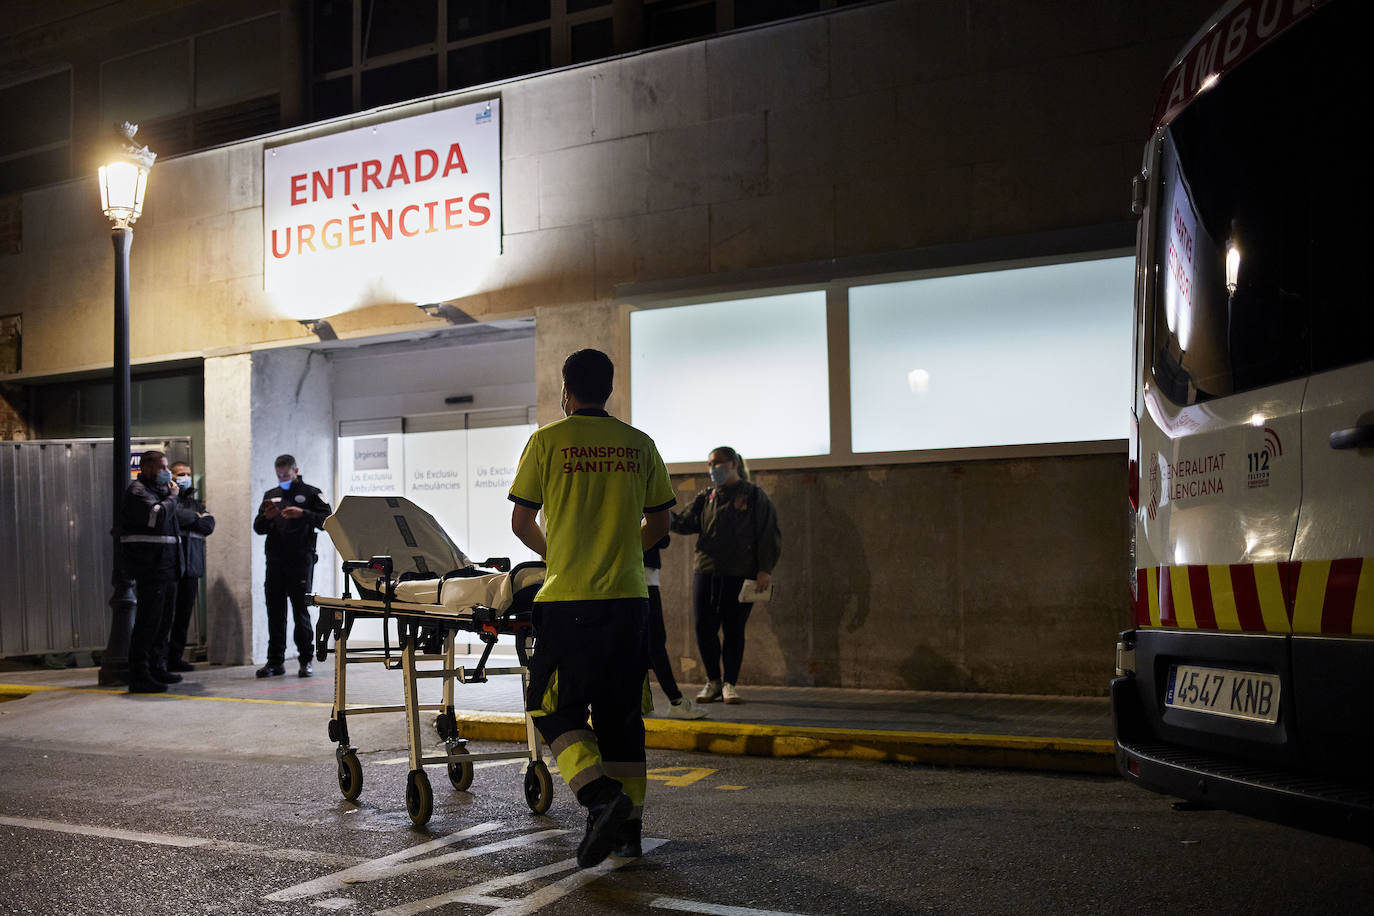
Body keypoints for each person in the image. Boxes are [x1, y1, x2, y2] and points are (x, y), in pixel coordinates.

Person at [509, 348, 675, 868]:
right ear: (609, 389)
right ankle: (628, 835)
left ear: (566, 390)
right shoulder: (638, 444)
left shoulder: (546, 442)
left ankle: (601, 797)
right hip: (629, 602)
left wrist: (561, 553)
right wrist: (621, 550)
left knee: (549, 704)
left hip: (568, 600)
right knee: (621, 718)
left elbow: (521, 522)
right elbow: (661, 524)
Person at [670, 445, 781, 705]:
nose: (712, 469)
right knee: (704, 628)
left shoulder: (754, 496)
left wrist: (765, 569)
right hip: (706, 572)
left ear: (732, 464)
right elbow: (684, 523)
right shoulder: (706, 497)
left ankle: (730, 683)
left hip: (740, 574)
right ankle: (713, 682)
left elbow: (768, 534)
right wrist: (659, 513)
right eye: (709, 464)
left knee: (734, 630)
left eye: (717, 463)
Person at [252, 454, 331, 678]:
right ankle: (275, 662)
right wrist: (267, 518)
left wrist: (303, 513)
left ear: (295, 470)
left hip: (300, 560)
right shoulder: (271, 495)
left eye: (285, 474)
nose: (282, 478)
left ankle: (306, 659)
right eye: (278, 475)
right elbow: (258, 528)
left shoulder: (311, 493)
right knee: (275, 612)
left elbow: (328, 520)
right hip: (275, 561)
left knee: (300, 611)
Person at [120, 450, 184, 694]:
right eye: (162, 467)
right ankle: (140, 674)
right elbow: (156, 517)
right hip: (150, 567)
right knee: (148, 622)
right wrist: (173, 498)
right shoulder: (138, 492)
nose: (166, 472)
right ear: (146, 468)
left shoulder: (159, 492)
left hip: (166, 567)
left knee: (163, 621)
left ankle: (157, 667)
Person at [644, 533, 706, 720]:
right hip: (642, 578)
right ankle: (676, 700)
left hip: (637, 576)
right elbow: (662, 536)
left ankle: (638, 702)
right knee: (655, 642)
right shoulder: (641, 504)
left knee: (642, 644)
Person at [166, 460, 215, 672]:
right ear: (171, 476)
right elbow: (176, 516)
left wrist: (192, 517)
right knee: (164, 617)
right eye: (179, 474)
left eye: (187, 473)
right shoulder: (167, 500)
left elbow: (209, 525)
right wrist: (194, 518)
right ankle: (159, 659)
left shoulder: (197, 504)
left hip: (191, 568)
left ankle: (174, 659)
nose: (184, 477)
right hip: (170, 568)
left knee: (183, 617)